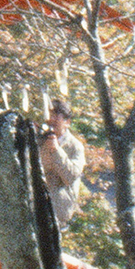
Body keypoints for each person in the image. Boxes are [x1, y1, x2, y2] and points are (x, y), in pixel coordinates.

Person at [38, 99, 86, 232]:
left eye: (55, 116)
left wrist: (56, 150)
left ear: (67, 122)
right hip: (35, 209)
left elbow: (70, 176)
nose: (51, 120)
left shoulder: (75, 147)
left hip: (58, 213)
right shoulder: (40, 141)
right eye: (49, 115)